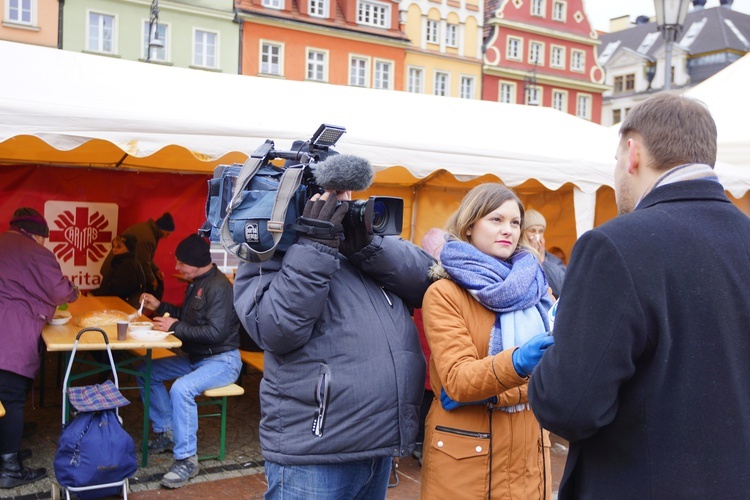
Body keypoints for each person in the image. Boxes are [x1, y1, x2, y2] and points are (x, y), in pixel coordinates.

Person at [528, 92, 750, 498]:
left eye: (615, 161)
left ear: (633, 153)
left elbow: (568, 407)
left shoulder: (615, 245)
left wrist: (550, 355)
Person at [233, 191, 434, 498]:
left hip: (377, 444)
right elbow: (276, 330)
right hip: (315, 452)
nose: (341, 201)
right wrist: (315, 244)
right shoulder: (271, 249)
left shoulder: (362, 243)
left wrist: (368, 245)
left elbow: (428, 282)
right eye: (330, 193)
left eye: (346, 192)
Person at [420, 184, 555, 498]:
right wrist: (521, 363)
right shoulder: (445, 294)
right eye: (496, 220)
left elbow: (563, 373)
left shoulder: (537, 289)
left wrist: (492, 394)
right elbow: (458, 382)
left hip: (528, 459)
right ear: (469, 226)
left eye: (514, 222)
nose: (507, 230)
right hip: (468, 463)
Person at [137, 233, 241, 490]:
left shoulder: (219, 287)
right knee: (145, 371)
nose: (177, 268)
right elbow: (187, 317)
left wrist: (175, 326)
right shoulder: (197, 280)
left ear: (195, 262)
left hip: (222, 360)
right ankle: (167, 431)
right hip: (197, 357)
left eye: (181, 263)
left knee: (182, 388)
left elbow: (215, 333)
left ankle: (186, 459)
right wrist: (161, 305)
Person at [0, 208, 79, 488]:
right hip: (9, 335)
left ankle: (4, 451)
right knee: (10, 398)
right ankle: (9, 468)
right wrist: (74, 289)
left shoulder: (3, 242)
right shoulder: (35, 251)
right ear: (37, 234)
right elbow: (59, 291)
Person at [101, 213, 174, 300]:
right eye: (167, 234)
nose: (167, 237)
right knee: (113, 304)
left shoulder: (148, 231)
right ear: (162, 229)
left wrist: (156, 269)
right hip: (117, 274)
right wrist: (152, 280)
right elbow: (143, 261)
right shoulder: (148, 238)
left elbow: (145, 256)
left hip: (117, 270)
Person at [89, 234, 146, 308]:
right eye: (113, 246)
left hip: (121, 306)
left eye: (119, 247)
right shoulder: (125, 261)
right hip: (121, 304)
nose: (114, 249)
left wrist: (94, 293)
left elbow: (117, 289)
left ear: (129, 248)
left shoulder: (127, 264)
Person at [523, 209, 567, 298]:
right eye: (532, 231)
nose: (537, 235)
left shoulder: (553, 260)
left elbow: (562, 288)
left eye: (540, 231)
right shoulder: (514, 256)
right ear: (523, 232)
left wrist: (542, 260)